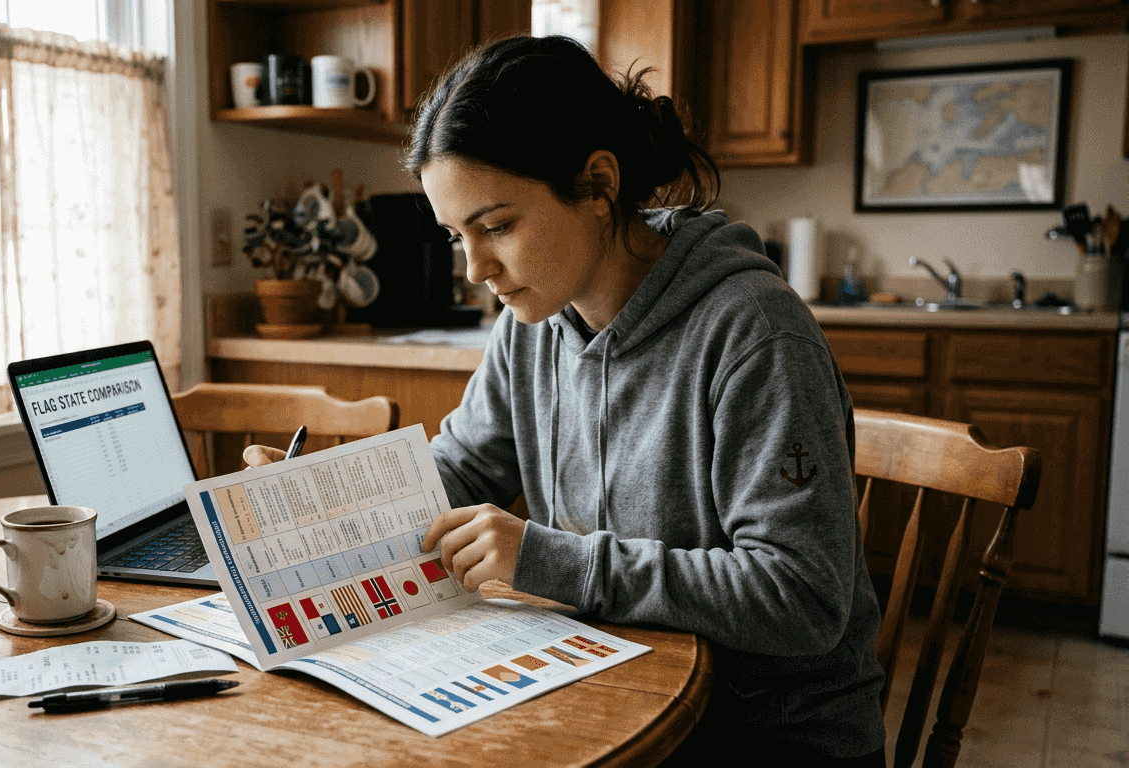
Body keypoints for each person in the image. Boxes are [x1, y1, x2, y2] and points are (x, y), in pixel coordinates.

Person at [246, 35, 886, 766]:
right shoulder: (535, 319)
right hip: (611, 685)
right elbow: (458, 468)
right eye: (457, 236)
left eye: (497, 226)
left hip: (762, 739)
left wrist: (559, 563)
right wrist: (315, 502)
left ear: (598, 184)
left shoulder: (756, 334)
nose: (475, 269)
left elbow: (804, 598)